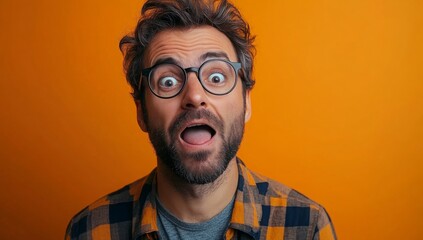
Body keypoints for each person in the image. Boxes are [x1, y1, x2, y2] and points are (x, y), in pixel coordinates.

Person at [65, 0, 337, 239]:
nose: (194, 95)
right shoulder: (90, 231)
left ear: (246, 103)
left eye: (216, 77)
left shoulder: (307, 227)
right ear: (141, 112)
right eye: (168, 81)